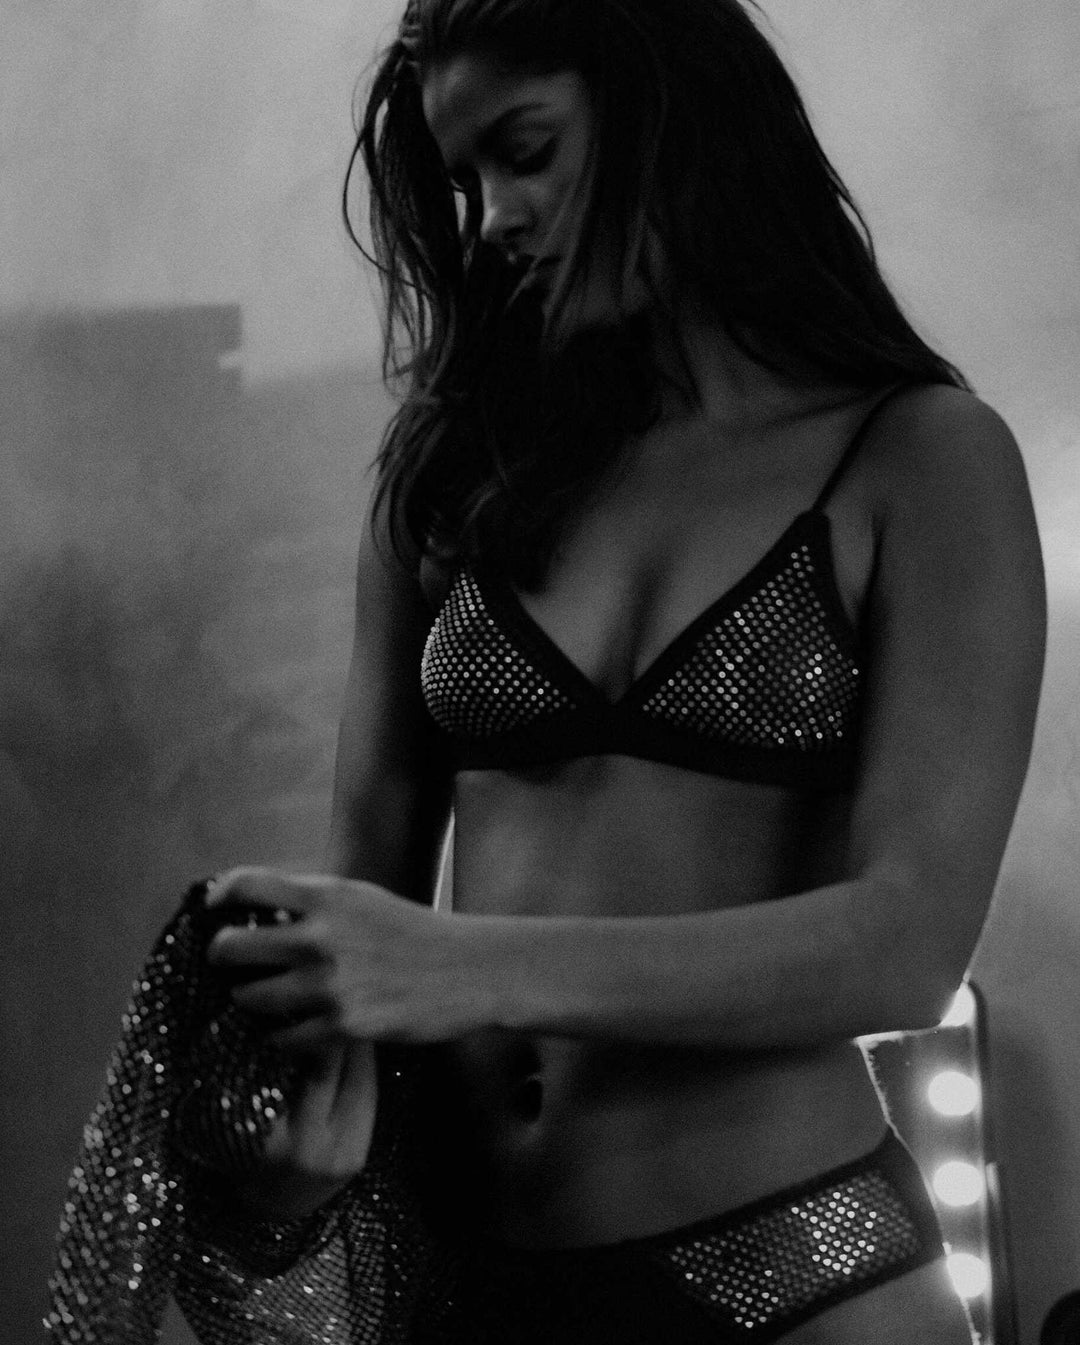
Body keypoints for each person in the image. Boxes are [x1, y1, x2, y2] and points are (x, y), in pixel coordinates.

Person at [195, 0, 1044, 1340]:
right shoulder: (449, 475)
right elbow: (369, 932)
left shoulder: (924, 460)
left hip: (793, 1269)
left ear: (671, 109)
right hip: (467, 1275)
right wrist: (299, 1135)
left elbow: (905, 948)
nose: (492, 218)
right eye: (465, 180)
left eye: (526, 150)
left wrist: (466, 967)